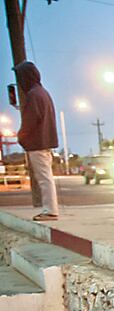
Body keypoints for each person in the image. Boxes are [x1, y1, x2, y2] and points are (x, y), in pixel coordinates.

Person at [13, 61, 59, 221]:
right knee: (45, 177)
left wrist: (22, 136)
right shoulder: (42, 93)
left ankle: (50, 210)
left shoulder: (34, 95)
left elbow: (30, 121)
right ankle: (50, 209)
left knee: (44, 178)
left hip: (38, 143)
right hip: (44, 142)